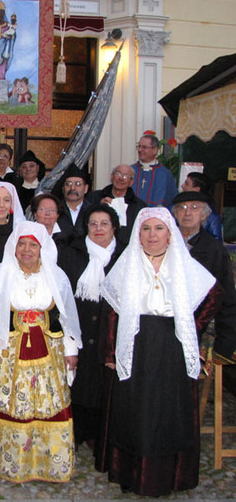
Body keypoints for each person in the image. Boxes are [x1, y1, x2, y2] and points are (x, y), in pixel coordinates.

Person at [96, 208, 220, 497]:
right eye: (146, 229)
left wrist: (192, 325)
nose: (152, 235)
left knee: (168, 411)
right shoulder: (127, 264)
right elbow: (112, 313)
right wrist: (112, 352)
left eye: (159, 229)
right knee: (134, 412)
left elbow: (214, 295)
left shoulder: (183, 264)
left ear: (170, 234)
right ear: (138, 233)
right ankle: (129, 473)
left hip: (171, 346)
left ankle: (168, 476)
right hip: (135, 345)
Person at [0, 221, 81, 483]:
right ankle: (13, 463)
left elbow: (66, 317)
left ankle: (50, 464)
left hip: (49, 349)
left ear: (42, 248)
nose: (26, 250)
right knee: (14, 403)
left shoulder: (56, 276)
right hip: (9, 352)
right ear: (13, 247)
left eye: (33, 245)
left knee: (49, 403)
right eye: (21, 244)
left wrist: (72, 350)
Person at [57, 204, 125, 449]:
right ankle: (76, 431)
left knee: (104, 384)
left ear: (114, 227)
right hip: (80, 327)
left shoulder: (124, 256)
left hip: (109, 331)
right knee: (78, 382)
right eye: (93, 224)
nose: (98, 229)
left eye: (104, 223)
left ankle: (100, 433)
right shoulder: (71, 252)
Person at [172, 191, 236, 363]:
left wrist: (225, 342)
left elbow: (226, 295)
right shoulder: (163, 243)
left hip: (197, 324)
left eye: (194, 208)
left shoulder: (214, 249)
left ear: (204, 214)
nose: (187, 213)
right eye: (182, 208)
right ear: (175, 213)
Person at [87, 164, 146, 244]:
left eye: (126, 176)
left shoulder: (139, 206)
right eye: (118, 174)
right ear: (112, 177)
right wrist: (99, 207)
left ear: (131, 182)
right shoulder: (93, 197)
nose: (121, 178)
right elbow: (84, 220)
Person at [131, 133, 177, 207]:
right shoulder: (131, 171)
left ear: (155, 150)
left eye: (144, 147)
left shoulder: (164, 174)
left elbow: (172, 200)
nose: (140, 150)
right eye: (139, 147)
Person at [180, 171, 222, 240]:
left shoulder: (211, 216)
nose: (182, 185)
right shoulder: (177, 208)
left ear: (196, 189)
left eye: (186, 184)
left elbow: (216, 243)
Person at [56, 164, 93, 236]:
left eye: (78, 184)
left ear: (86, 188)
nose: (72, 188)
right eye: (68, 184)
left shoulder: (92, 211)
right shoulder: (55, 211)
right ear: (63, 188)